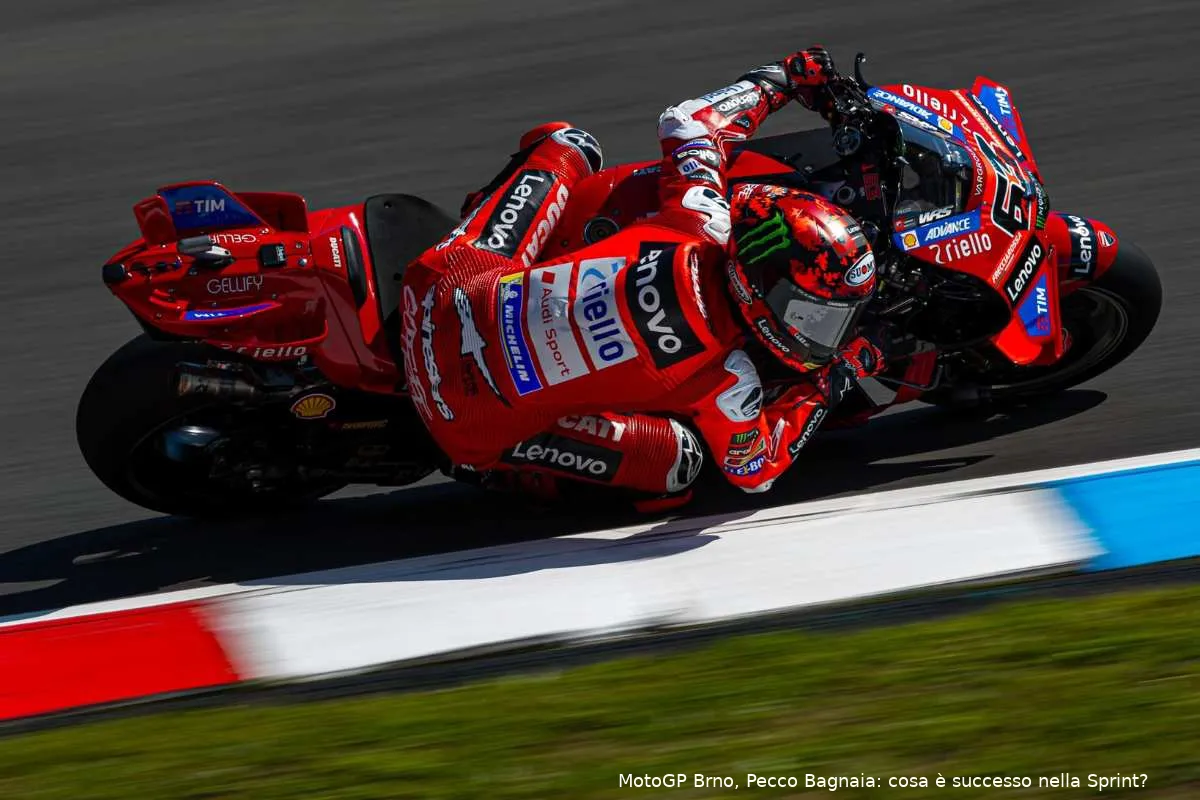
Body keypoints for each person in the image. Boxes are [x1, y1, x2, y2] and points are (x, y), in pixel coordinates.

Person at [400, 46, 886, 510]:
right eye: (811, 313)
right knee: (677, 466)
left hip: (439, 290)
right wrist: (834, 378)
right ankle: (502, 468)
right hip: (462, 424)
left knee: (569, 145)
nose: (819, 332)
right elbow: (755, 470)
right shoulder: (723, 379)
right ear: (761, 283)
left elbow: (687, 122)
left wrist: (782, 79)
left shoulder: (699, 219)